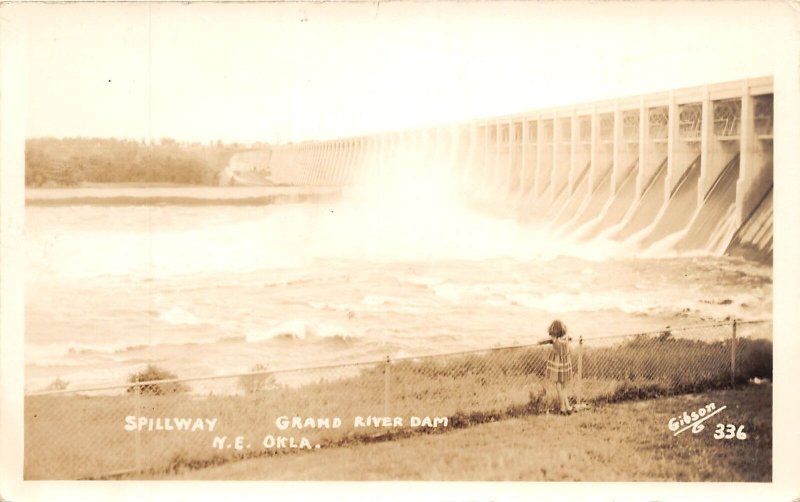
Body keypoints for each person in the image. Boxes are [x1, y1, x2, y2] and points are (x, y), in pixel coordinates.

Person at [538, 319, 574, 415]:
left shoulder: (554, 340)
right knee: (564, 387)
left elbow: (540, 341)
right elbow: (570, 337)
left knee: (558, 385)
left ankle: (563, 408)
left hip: (557, 363)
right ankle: (568, 407)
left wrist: (548, 341)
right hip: (565, 363)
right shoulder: (566, 338)